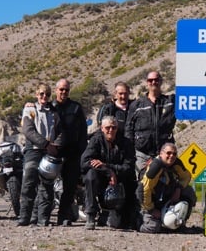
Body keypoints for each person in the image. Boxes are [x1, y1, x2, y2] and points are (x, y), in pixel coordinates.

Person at [17, 83, 62, 226]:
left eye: (47, 94)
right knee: (28, 183)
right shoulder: (30, 109)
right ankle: (24, 217)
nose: (44, 97)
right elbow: (28, 130)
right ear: (37, 94)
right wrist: (46, 144)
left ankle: (43, 219)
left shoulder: (55, 111)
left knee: (47, 185)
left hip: (50, 151)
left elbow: (61, 130)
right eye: (42, 93)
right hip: (33, 149)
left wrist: (56, 145)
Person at [80, 116, 136, 230]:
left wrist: (108, 167)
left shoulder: (125, 143)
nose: (111, 130)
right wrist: (107, 171)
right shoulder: (96, 140)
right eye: (108, 127)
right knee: (90, 176)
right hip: (101, 177)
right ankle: (90, 214)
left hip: (119, 181)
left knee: (116, 224)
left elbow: (128, 167)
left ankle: (122, 215)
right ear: (102, 128)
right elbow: (85, 162)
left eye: (114, 127)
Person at [137, 142, 197, 234]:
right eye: (168, 153)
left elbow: (186, 177)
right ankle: (137, 222)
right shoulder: (155, 166)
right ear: (161, 153)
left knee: (188, 191)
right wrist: (151, 209)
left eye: (174, 153)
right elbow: (143, 189)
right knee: (153, 228)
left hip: (166, 198)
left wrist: (178, 188)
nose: (171, 156)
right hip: (150, 202)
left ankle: (181, 224)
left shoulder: (177, 163)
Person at [52, 78, 88, 226]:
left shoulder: (76, 108)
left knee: (70, 186)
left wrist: (81, 150)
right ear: (56, 91)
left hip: (72, 153)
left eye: (66, 90)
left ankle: (63, 216)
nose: (63, 92)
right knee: (47, 186)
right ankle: (42, 216)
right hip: (53, 152)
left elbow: (83, 131)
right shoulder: (50, 107)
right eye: (61, 89)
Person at [125, 71, 176, 173]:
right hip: (142, 154)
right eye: (150, 80)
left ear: (161, 81)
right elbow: (129, 129)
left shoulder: (170, 102)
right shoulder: (137, 105)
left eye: (156, 80)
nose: (153, 82)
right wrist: (130, 152)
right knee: (145, 185)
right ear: (147, 83)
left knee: (166, 184)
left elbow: (188, 96)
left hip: (165, 154)